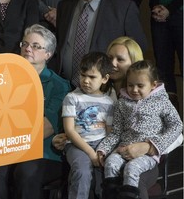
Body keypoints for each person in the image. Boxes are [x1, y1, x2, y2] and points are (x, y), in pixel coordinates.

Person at [52, 36, 162, 199]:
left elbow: (176, 133)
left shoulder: (148, 95)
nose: (113, 64)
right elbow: (75, 126)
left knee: (130, 179)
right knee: (89, 173)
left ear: (134, 63)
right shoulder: (97, 92)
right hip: (103, 148)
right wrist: (62, 136)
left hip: (141, 156)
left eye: (120, 59)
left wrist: (148, 146)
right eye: (110, 58)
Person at [0, 24, 71, 199]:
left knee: (26, 172)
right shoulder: (4, 78)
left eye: (36, 46)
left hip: (42, 151)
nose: (28, 49)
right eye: (25, 44)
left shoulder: (59, 86)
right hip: (5, 148)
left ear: (48, 54)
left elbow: (45, 128)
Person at [55, 0, 147, 88]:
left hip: (105, 90)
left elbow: (138, 50)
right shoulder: (64, 6)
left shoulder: (123, 9)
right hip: (64, 86)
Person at [97, 60, 183, 199]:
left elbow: (177, 125)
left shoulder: (161, 101)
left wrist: (154, 145)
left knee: (132, 168)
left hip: (147, 155)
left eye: (140, 85)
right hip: (123, 149)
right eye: (130, 85)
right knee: (111, 162)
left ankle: (129, 196)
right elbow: (116, 132)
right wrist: (103, 149)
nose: (134, 89)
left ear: (153, 85)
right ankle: (110, 194)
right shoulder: (122, 103)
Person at [62, 52, 114, 199]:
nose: (85, 81)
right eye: (83, 75)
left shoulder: (109, 103)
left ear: (105, 78)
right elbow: (70, 130)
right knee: (82, 171)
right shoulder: (72, 98)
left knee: (110, 170)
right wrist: (91, 154)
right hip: (76, 144)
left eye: (92, 77)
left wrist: (104, 150)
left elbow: (109, 132)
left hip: (101, 144)